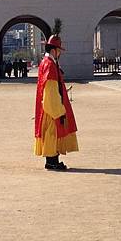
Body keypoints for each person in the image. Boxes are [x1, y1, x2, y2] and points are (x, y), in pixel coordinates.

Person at [34, 29, 79, 170]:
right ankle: (52, 161)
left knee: (51, 134)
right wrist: (58, 110)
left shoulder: (46, 63)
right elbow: (51, 89)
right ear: (54, 50)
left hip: (49, 106)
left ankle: (52, 160)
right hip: (51, 107)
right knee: (53, 134)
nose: (60, 53)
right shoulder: (50, 65)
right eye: (59, 50)